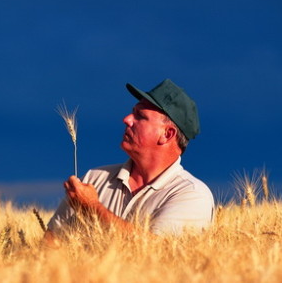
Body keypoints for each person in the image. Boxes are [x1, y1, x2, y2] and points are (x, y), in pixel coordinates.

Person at [44, 79, 214, 243]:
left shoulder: (192, 194)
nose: (127, 119)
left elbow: (158, 252)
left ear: (167, 134)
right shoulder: (94, 178)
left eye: (140, 116)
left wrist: (91, 207)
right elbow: (51, 244)